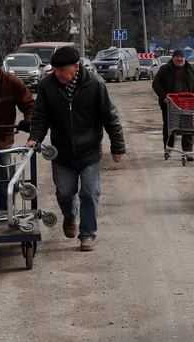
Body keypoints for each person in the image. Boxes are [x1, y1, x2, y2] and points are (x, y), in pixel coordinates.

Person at [25, 46, 125, 252]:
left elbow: (110, 116)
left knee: (90, 192)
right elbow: (41, 116)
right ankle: (70, 215)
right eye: (55, 69)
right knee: (64, 193)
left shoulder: (95, 84)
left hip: (89, 151)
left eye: (62, 69)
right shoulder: (47, 86)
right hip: (62, 152)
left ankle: (87, 234)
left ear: (75, 67)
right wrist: (35, 138)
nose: (57, 73)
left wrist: (117, 146)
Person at [152, 49, 194, 159]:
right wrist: (163, 96)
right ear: (173, 58)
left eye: (182, 57)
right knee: (169, 127)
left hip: (188, 104)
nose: (180, 59)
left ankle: (187, 151)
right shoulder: (165, 69)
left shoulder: (192, 69)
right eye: (177, 57)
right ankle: (168, 148)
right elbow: (156, 83)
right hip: (170, 104)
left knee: (188, 127)